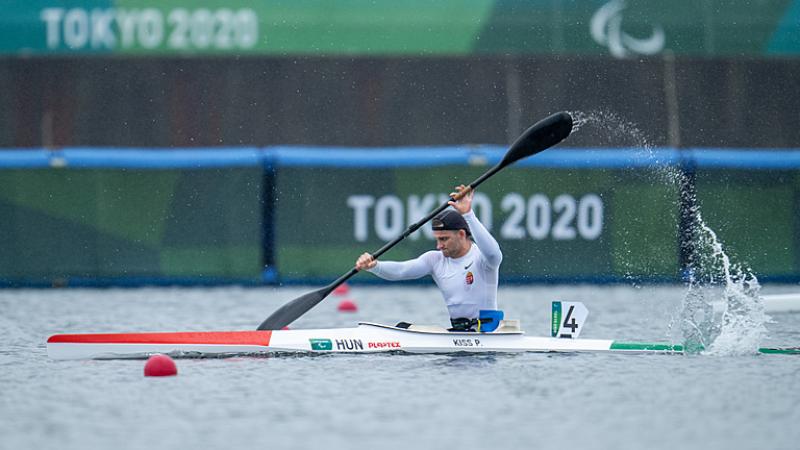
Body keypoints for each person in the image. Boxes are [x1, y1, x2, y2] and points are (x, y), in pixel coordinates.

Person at [355, 185, 503, 331]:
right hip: (459, 335)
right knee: (403, 327)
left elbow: (494, 253)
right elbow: (401, 271)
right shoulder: (435, 260)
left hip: (487, 334)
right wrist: (374, 266)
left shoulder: (483, 259)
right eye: (437, 239)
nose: (439, 246)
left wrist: (468, 214)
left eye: (444, 239)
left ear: (462, 234)